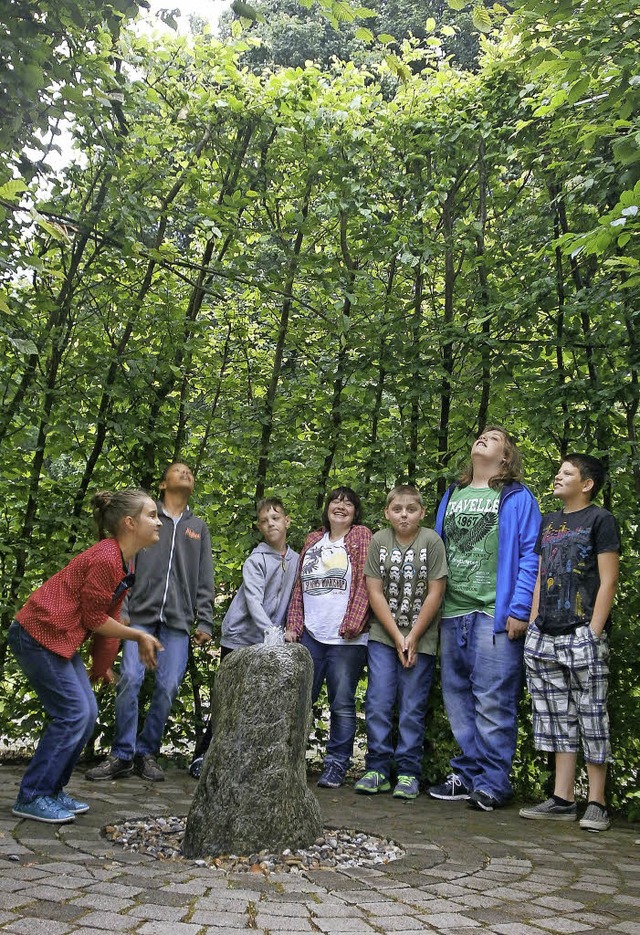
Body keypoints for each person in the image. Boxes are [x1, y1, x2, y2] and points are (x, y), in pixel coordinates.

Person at [8, 490, 163, 824]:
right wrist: (138, 635)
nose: (159, 521)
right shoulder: (108, 558)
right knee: (73, 713)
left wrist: (102, 666)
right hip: (37, 634)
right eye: (152, 515)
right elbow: (95, 620)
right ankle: (32, 795)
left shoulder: (124, 560)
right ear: (130, 523)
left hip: (58, 639)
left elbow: (110, 613)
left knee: (87, 711)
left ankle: (51, 790)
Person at [429, 426, 541, 811]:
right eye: (482, 436)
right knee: (458, 698)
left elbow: (530, 554)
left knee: (494, 701)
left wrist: (520, 608)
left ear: (506, 457)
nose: (483, 439)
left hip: (493, 612)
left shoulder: (516, 496)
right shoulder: (452, 494)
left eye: (494, 439)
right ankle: (470, 773)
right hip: (452, 613)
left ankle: (494, 780)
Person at [86, 462, 214, 783]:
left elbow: (205, 579)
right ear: (162, 484)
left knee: (168, 685)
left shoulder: (198, 527)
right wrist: (123, 609)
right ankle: (122, 754)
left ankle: (147, 752)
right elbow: (125, 565)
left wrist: (205, 621)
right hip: (138, 618)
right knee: (129, 677)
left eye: (189, 471)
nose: (185, 473)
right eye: (178, 470)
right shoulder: (146, 518)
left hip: (178, 622)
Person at [519, 455, 620, 832]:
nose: (557, 477)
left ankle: (597, 802)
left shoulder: (600, 520)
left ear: (587, 483)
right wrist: (532, 625)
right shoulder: (549, 521)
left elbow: (608, 579)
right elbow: (541, 574)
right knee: (555, 717)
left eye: (566, 473)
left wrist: (593, 633)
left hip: (582, 633)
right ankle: (563, 799)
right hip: (545, 633)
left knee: (592, 716)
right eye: (558, 472)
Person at [188, 497, 298, 778]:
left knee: (259, 702)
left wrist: (283, 631)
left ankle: (244, 759)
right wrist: (272, 632)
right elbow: (253, 600)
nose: (270, 523)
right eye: (264, 520)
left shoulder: (297, 560)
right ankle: (203, 755)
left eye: (275, 518)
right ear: (259, 527)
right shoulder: (256, 560)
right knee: (228, 699)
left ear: (287, 521)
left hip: (270, 641)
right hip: (240, 637)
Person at [354, 485, 447, 799]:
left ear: (422, 512)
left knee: (411, 706)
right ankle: (377, 768)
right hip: (384, 636)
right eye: (397, 509)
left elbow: (436, 592)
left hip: (421, 636)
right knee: (378, 702)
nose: (404, 515)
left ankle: (408, 772)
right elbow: (374, 591)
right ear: (387, 513)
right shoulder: (380, 541)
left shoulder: (431, 541)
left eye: (410, 509)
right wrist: (397, 637)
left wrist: (413, 637)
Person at [285, 486, 371, 789]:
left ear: (355, 512)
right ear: (327, 508)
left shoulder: (361, 536)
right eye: (336, 500)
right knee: (300, 700)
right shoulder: (312, 540)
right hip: (311, 635)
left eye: (348, 503)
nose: (341, 506)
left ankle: (336, 764)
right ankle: (289, 761)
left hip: (346, 639)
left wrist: (354, 622)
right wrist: (293, 626)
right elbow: (299, 588)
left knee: (342, 704)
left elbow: (365, 581)